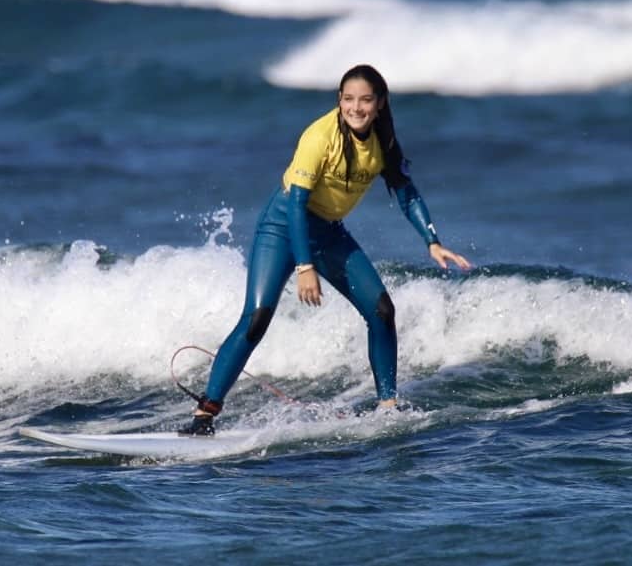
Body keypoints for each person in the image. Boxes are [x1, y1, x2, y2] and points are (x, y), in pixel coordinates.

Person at [181, 64, 473, 436]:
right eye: (348, 99)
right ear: (339, 100)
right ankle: (205, 413)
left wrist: (432, 241)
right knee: (257, 319)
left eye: (365, 100)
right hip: (284, 225)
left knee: (382, 310)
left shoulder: (382, 141)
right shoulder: (319, 136)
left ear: (380, 104)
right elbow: (297, 205)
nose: (356, 107)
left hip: (328, 232)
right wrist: (305, 266)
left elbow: (406, 192)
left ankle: (388, 408)